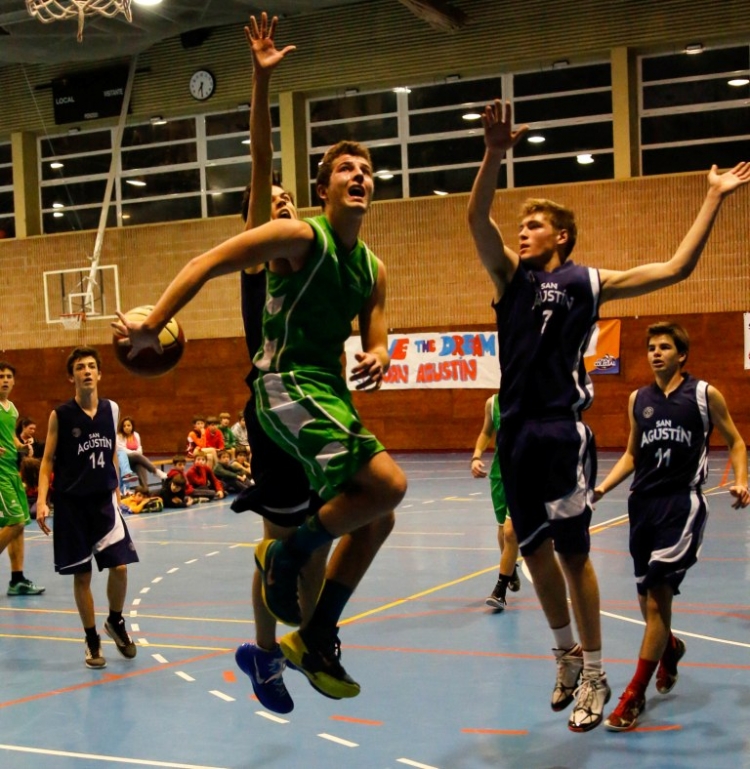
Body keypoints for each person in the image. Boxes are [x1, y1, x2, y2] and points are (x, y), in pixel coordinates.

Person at [467, 98, 750, 732]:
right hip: (515, 433)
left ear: (562, 236)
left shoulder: (586, 283)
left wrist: (713, 198)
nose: (522, 232)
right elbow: (476, 218)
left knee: (572, 555)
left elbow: (677, 268)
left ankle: (595, 672)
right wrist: (492, 155)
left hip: (559, 431)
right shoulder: (509, 279)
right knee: (531, 551)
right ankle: (565, 655)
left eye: (534, 225)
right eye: (522, 225)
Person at [114, 125, 406, 705]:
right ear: (323, 189)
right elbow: (246, 189)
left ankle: (314, 636)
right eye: (346, 168)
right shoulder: (282, 245)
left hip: (326, 393)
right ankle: (269, 646)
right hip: (282, 391)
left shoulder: (367, 266)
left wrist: (379, 354)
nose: (360, 176)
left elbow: (377, 331)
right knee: (314, 523)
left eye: (367, 170)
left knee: (375, 516)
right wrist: (261, 81)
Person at [590, 322, 749, 730]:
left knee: (657, 600)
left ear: (682, 355)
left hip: (681, 505)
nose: (656, 353)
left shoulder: (704, 395)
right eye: (651, 348)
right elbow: (632, 454)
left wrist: (741, 479)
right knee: (647, 600)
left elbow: (735, 441)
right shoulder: (638, 399)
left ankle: (633, 696)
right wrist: (602, 489)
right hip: (641, 505)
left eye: (664, 347)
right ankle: (670, 647)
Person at [36, 347, 139, 669]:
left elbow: (110, 453)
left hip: (104, 501)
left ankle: (115, 621)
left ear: (100, 373)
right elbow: (47, 461)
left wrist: (118, 488)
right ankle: (92, 638)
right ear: (72, 377)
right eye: (80, 367)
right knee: (82, 576)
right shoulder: (61, 415)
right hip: (71, 505)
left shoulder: (112, 409)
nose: (87, 371)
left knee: (120, 567)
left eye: (92, 366)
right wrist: (42, 501)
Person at [471, 393, 520, 611]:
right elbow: (486, 432)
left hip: (523, 474)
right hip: (500, 474)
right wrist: (476, 456)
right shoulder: (493, 403)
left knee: (510, 531)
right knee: (502, 529)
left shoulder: (533, 397)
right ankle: (510, 570)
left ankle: (499, 590)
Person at [0, 362, 45, 596]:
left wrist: (23, 447)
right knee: (16, 521)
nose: (5, 380)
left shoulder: (12, 409)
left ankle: (17, 580)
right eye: (1, 376)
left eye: (9, 376)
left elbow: (11, 438)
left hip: (12, 471)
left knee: (20, 526)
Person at [116, 415, 167, 488]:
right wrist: (135, 453)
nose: (126, 427)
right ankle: (156, 471)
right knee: (136, 455)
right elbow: (123, 450)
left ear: (132, 426)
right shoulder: (119, 436)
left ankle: (145, 489)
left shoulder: (136, 435)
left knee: (140, 465)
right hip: (124, 460)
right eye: (124, 426)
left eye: (128, 425)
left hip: (136, 459)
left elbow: (140, 448)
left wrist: (137, 453)